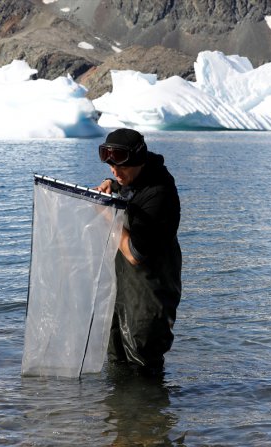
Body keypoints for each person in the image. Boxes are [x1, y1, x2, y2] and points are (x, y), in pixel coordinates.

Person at [95, 128, 182, 374]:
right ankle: (120, 413)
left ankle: (150, 411)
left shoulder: (159, 193)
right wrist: (112, 185)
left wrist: (107, 215)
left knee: (144, 365)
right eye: (110, 166)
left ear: (139, 161)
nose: (114, 171)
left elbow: (134, 254)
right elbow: (129, 190)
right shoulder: (134, 179)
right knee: (117, 359)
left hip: (150, 296)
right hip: (124, 293)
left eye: (119, 167)